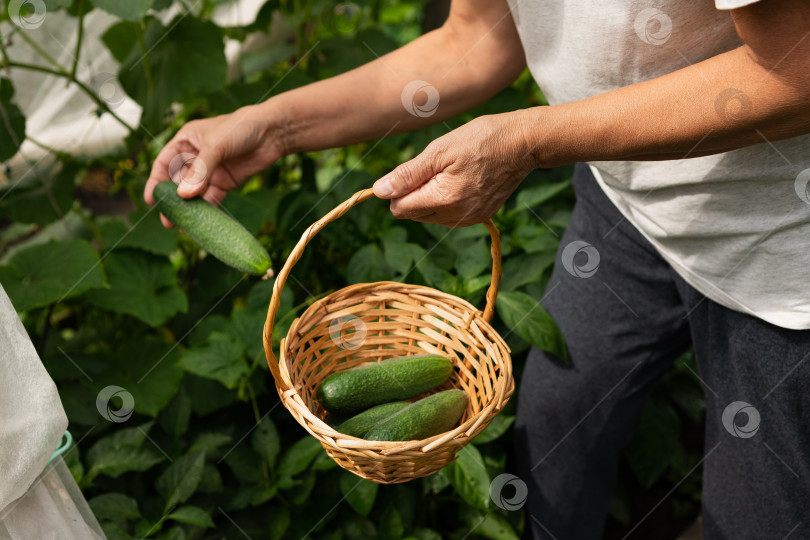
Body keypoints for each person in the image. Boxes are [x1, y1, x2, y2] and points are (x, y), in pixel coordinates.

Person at [145, 0, 810, 538]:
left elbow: (797, 67)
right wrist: (272, 126)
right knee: (554, 422)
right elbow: (476, 38)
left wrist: (528, 140)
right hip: (629, 204)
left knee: (759, 514)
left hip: (780, 253)